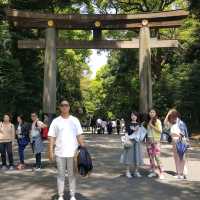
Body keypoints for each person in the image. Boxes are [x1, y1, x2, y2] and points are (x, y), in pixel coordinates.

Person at [48, 100, 85, 200]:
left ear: (69, 107)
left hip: (73, 153)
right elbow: (51, 137)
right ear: (60, 107)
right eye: (62, 105)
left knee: (72, 175)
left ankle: (72, 195)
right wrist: (50, 151)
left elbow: (79, 135)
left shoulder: (75, 120)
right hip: (60, 153)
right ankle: (60, 196)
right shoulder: (56, 121)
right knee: (60, 175)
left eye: (66, 105)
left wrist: (83, 150)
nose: (64, 107)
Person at [165, 109, 189, 179]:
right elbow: (165, 123)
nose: (171, 119)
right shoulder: (173, 123)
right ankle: (179, 173)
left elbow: (183, 134)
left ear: (175, 116)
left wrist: (175, 135)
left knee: (181, 158)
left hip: (179, 141)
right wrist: (169, 113)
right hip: (175, 141)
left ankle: (181, 173)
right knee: (177, 158)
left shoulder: (180, 123)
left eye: (171, 117)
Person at [120, 112, 143, 178]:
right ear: (131, 116)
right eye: (132, 115)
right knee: (128, 156)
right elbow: (126, 133)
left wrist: (138, 130)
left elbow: (141, 134)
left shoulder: (139, 124)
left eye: (135, 115)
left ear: (137, 116)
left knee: (137, 156)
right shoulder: (128, 124)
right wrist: (127, 139)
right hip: (130, 141)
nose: (133, 116)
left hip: (137, 142)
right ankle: (127, 171)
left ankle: (136, 171)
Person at [147, 109, 164, 179]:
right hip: (149, 142)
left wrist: (152, 126)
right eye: (150, 112)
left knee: (157, 157)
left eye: (153, 112)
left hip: (156, 141)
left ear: (155, 113)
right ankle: (153, 172)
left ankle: (161, 173)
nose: (151, 113)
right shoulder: (149, 121)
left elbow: (160, 131)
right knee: (151, 157)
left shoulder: (158, 121)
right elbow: (148, 133)